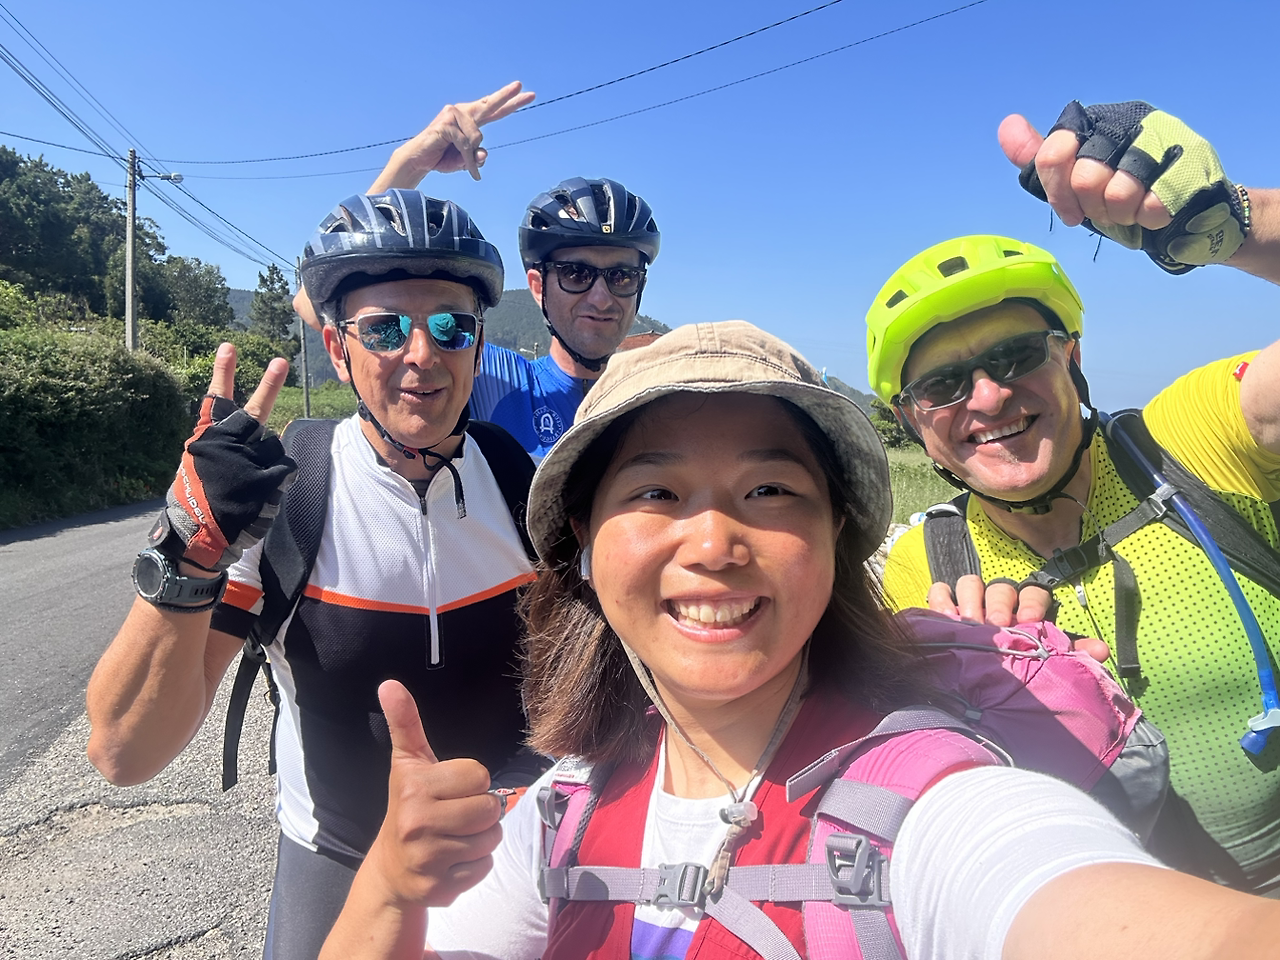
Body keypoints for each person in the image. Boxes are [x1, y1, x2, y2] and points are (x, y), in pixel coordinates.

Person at [316, 321, 1279, 960]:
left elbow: (1087, 904)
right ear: (586, 542)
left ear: (834, 536)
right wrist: (389, 889)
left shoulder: (933, 807)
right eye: (656, 491)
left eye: (771, 490)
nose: (713, 543)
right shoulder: (558, 813)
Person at [86, 189, 541, 959]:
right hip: (338, 857)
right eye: (385, 328)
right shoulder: (286, 493)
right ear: (337, 349)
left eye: (450, 326)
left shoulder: (515, 476)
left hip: (509, 852)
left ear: (478, 342)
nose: (421, 354)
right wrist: (188, 547)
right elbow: (125, 752)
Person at [869, 100, 1280, 892]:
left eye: (1017, 355)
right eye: (943, 384)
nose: (988, 397)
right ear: (911, 421)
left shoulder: (1190, 438)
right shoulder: (923, 565)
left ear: (1073, 358)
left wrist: (1236, 224)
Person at [293, 82, 662, 460]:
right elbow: (312, 301)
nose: (601, 297)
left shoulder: (661, 402)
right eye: (576, 274)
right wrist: (409, 164)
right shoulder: (494, 375)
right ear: (537, 286)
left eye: (621, 276)